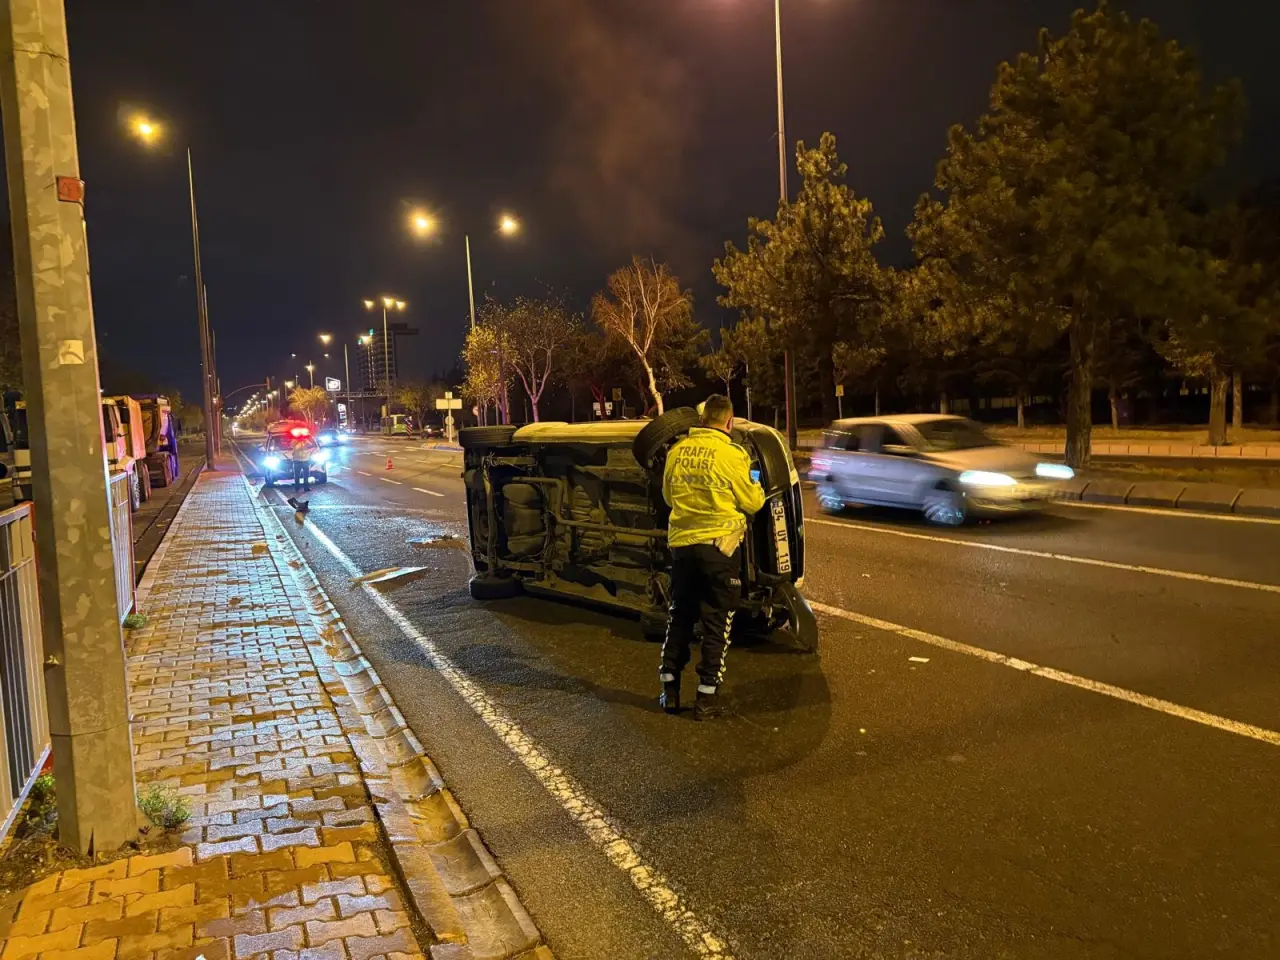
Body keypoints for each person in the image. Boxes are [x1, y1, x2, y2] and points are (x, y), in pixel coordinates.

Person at [660, 395, 765, 720]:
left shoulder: (677, 452)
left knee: (679, 616)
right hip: (719, 549)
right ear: (729, 422)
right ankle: (706, 700)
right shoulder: (732, 455)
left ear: (702, 420)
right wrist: (756, 482)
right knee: (716, 623)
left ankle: (670, 691)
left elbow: (667, 496)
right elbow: (753, 503)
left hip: (682, 548)